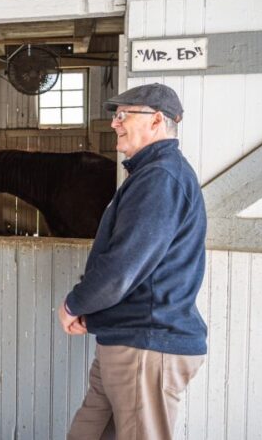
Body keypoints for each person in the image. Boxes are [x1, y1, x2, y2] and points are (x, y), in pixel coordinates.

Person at [58, 83, 207, 440]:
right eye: (116, 115)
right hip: (125, 335)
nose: (114, 123)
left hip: (146, 342)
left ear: (157, 121)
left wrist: (75, 303)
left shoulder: (160, 177)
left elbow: (123, 266)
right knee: (88, 432)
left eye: (124, 115)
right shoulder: (149, 174)